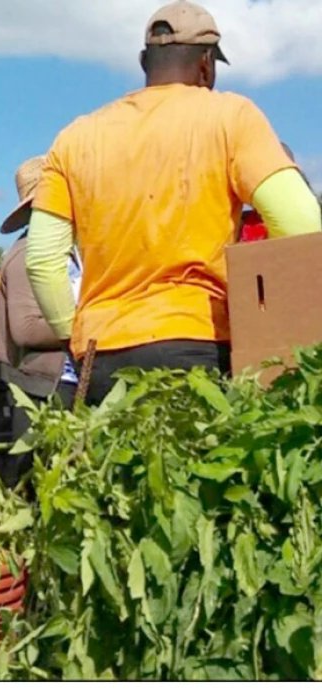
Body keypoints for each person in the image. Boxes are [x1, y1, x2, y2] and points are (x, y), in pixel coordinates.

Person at [24, 0, 322, 406]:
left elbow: (41, 260)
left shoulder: (74, 138)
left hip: (103, 356)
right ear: (207, 64)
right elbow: (301, 224)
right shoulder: (230, 116)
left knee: (116, 469)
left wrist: (72, 334)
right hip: (197, 345)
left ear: (144, 60)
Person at [0, 156, 82, 486]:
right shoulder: (24, 257)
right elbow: (26, 328)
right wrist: (86, 326)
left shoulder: (71, 252)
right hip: (43, 390)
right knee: (39, 486)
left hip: (72, 384)